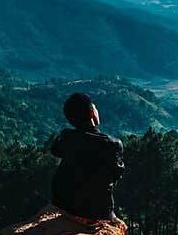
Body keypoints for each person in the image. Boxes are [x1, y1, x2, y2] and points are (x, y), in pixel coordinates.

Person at [50, 93, 126, 227]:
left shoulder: (66, 139)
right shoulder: (112, 144)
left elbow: (55, 150)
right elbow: (116, 175)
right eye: (95, 108)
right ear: (92, 113)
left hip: (64, 205)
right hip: (97, 211)